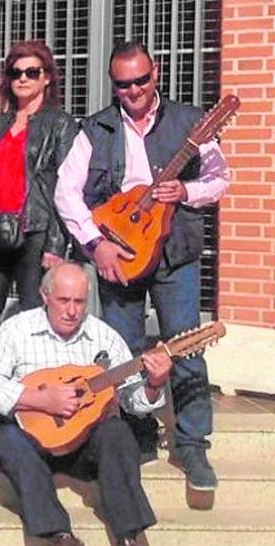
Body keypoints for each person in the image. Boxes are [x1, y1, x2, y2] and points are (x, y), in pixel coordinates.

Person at [54, 41, 230, 490]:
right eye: (123, 83)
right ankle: (136, 436)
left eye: (141, 80)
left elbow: (219, 178)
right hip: (117, 251)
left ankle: (192, 444)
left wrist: (186, 193)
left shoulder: (192, 122)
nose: (133, 90)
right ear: (114, 85)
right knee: (124, 350)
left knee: (185, 345)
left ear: (156, 76)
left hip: (174, 254)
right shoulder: (96, 129)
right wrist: (96, 246)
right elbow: (65, 192)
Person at [0, 262, 172, 546]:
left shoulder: (103, 336)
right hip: (32, 437)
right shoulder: (16, 330)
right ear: (45, 296)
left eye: (79, 302)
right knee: (8, 440)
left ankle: (129, 544)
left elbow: (134, 402)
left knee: (118, 432)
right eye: (63, 301)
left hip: (82, 442)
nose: (71, 310)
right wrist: (39, 400)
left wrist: (154, 383)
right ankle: (63, 539)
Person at [0, 41, 77, 345]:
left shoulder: (60, 124)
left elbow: (67, 188)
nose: (22, 79)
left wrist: (55, 243)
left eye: (31, 72)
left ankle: (32, 387)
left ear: (47, 77)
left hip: (35, 234)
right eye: (15, 73)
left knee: (34, 315)